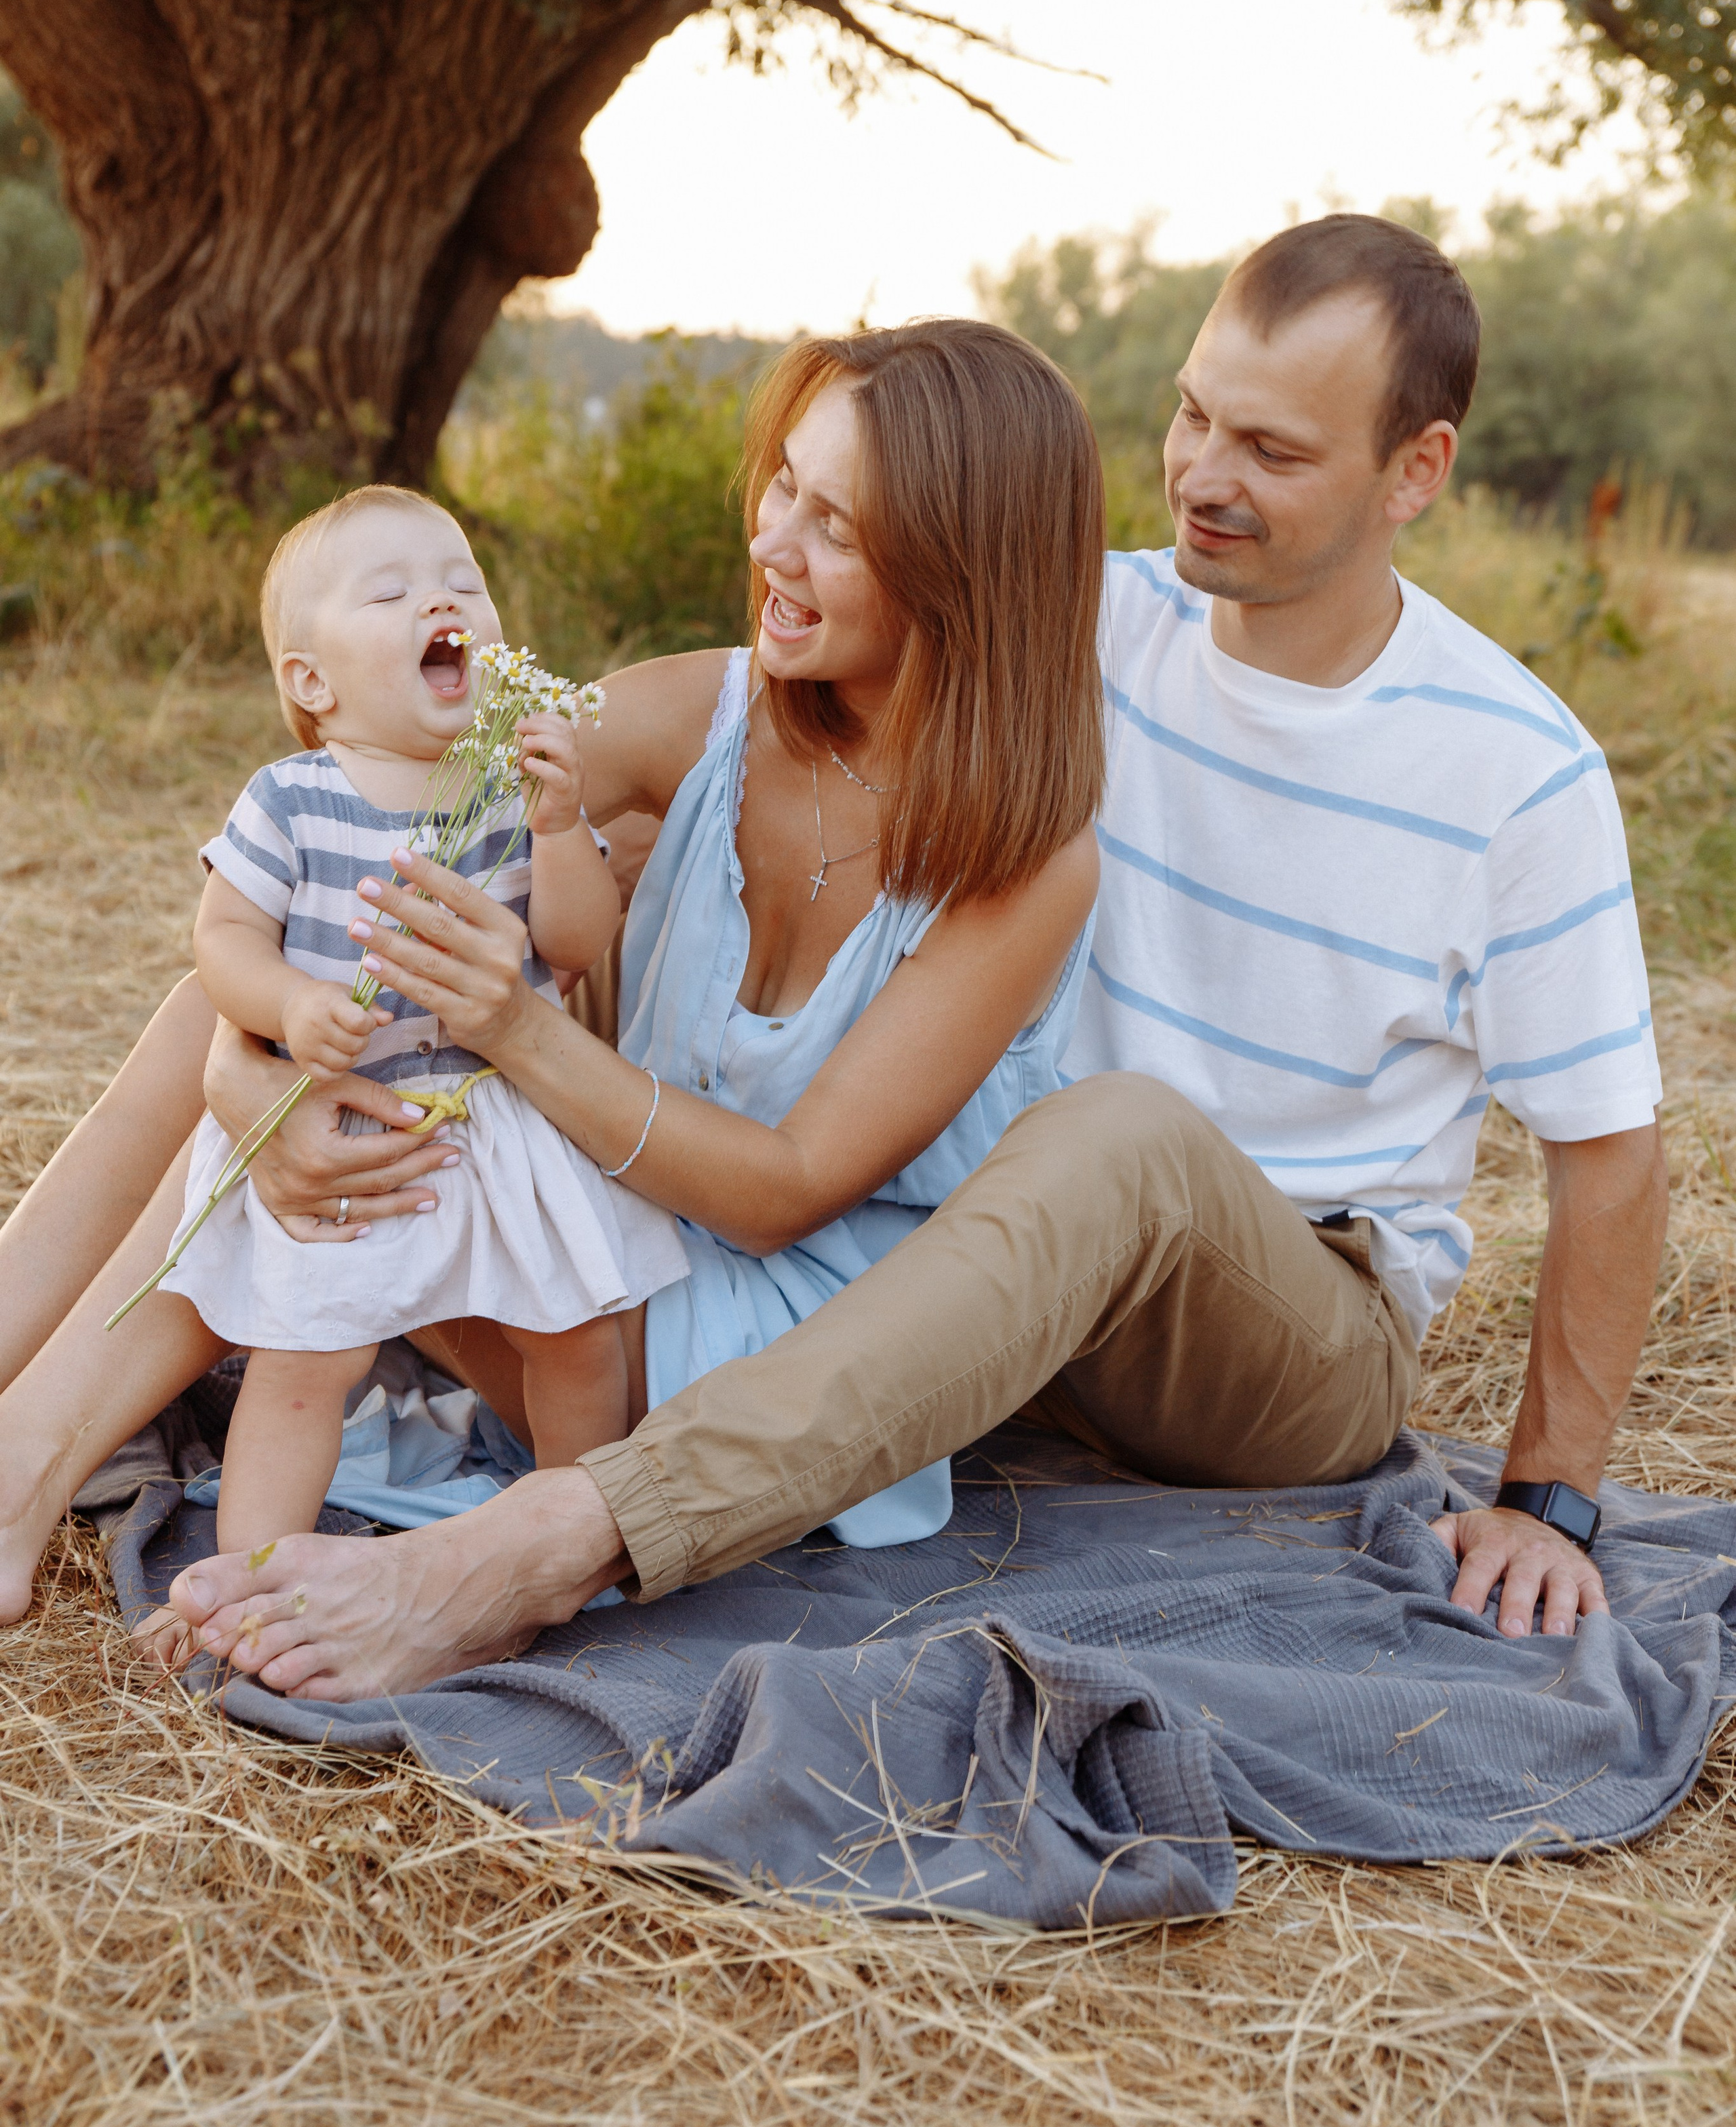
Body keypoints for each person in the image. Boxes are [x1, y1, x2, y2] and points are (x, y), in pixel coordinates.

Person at [1, 222, 1670, 1700]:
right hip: (993, 1261)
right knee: (368, 903)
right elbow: (437, 794)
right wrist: (260, 1072)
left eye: (1271, 450)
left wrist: (1549, 1498)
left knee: (1109, 1138)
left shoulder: (1506, 766)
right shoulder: (1089, 613)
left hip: (1265, 1294)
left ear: (1413, 471)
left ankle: (548, 1546)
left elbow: (1607, 1158)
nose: (1197, 478)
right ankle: (18, 1423)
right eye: (1188, 416)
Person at [0, 319, 1104, 1648]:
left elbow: (783, 1193)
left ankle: (24, 1462)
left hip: (759, 1357)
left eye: (838, 528)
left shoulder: (1027, 861)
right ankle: (17, 1439)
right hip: (599, 1227)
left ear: (961, 571)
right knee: (295, 989)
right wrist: (253, 1082)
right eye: (783, 486)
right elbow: (380, 842)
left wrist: (514, 1028)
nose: (773, 543)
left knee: (395, 1072)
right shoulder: (711, 708)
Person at [156, 485, 689, 1559]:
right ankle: (249, 1577)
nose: (442, 604)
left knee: (580, 1342)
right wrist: (291, 1003)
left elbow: (576, 945)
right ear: (313, 682)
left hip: (497, 1116)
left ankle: (559, 1547)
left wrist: (560, 825)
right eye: (390, 592)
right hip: (356, 1124)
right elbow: (224, 939)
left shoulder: (507, 790)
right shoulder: (292, 798)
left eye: (462, 585)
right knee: (306, 1362)